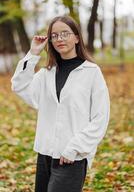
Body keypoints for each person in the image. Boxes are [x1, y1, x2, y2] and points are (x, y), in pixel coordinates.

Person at [11, 15, 110, 192]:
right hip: (45, 154)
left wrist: (75, 148)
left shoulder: (91, 72)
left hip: (72, 156)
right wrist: (33, 53)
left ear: (77, 38)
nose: (60, 39)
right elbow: (19, 85)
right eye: (55, 35)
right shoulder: (46, 73)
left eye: (65, 33)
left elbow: (100, 118)